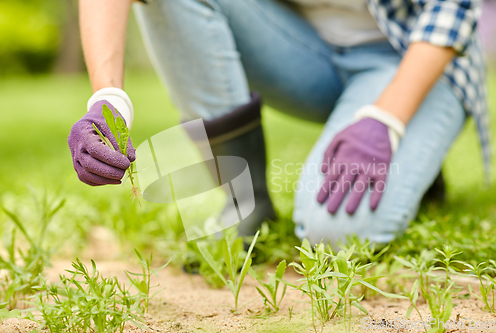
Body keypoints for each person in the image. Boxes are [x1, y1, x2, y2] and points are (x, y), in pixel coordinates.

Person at [68, 0, 487, 247]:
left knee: (333, 233)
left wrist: (386, 119)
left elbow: (451, 9)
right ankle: (245, 206)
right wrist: (108, 99)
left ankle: (414, 152)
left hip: (411, 55)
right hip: (305, 45)